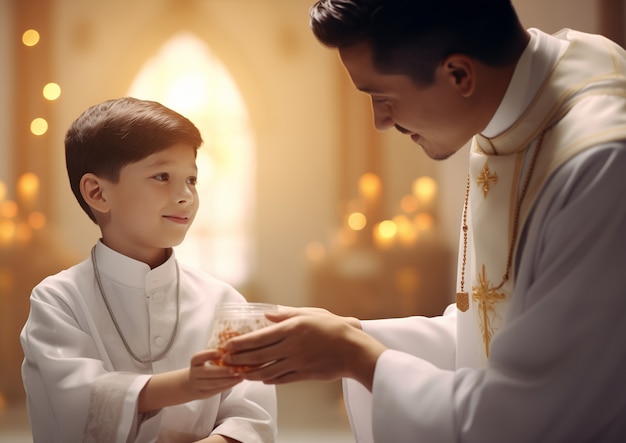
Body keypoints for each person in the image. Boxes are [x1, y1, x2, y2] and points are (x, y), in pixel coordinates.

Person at [220, 1, 626, 442]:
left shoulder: (598, 167)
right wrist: (347, 333)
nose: (380, 122)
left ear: (458, 75)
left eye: (384, 98)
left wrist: (356, 357)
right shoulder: (527, 95)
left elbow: (532, 413)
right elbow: (495, 336)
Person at [20, 97, 277, 443]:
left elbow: (252, 418)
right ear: (97, 192)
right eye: (162, 176)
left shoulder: (226, 301)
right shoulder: (58, 300)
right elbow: (77, 404)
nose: (185, 194)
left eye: (192, 179)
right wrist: (186, 384)